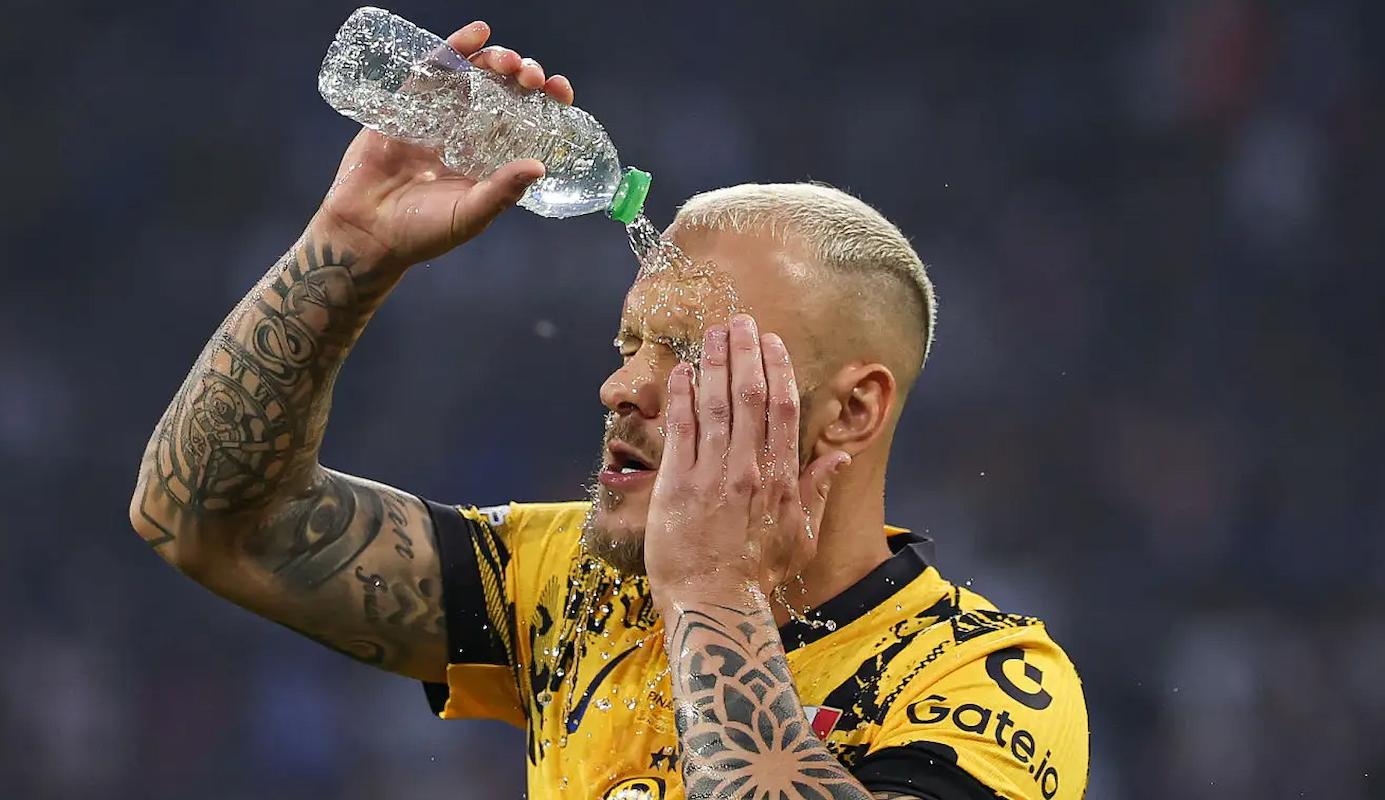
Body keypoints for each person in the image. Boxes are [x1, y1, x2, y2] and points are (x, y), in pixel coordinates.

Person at [129, 20, 1089, 800]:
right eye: (629, 345)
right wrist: (347, 250)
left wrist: (712, 591)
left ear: (850, 410)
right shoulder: (573, 584)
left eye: (692, 354)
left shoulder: (979, 680)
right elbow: (209, 522)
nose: (622, 387)